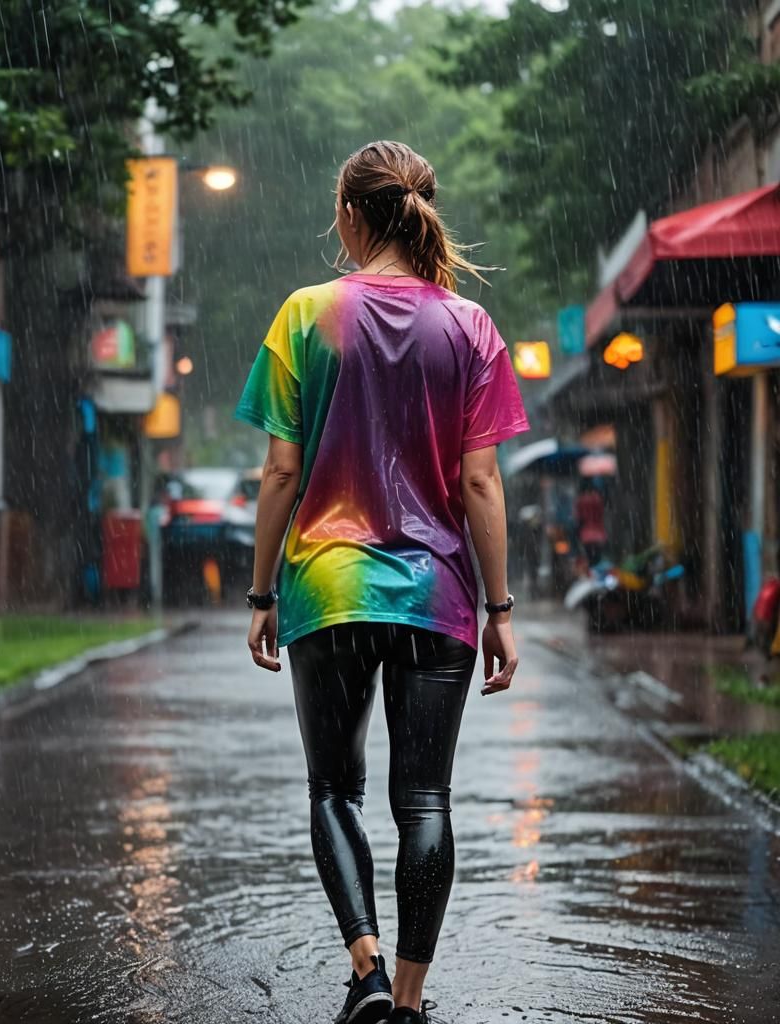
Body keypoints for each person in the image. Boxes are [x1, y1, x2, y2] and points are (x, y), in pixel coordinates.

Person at [235, 141, 530, 1024]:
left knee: (334, 790)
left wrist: (261, 594)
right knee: (425, 799)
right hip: (437, 598)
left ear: (354, 217)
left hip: (325, 591)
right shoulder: (471, 329)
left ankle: (362, 966)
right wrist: (499, 609)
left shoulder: (307, 314)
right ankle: (406, 999)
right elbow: (480, 483)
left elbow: (280, 474)